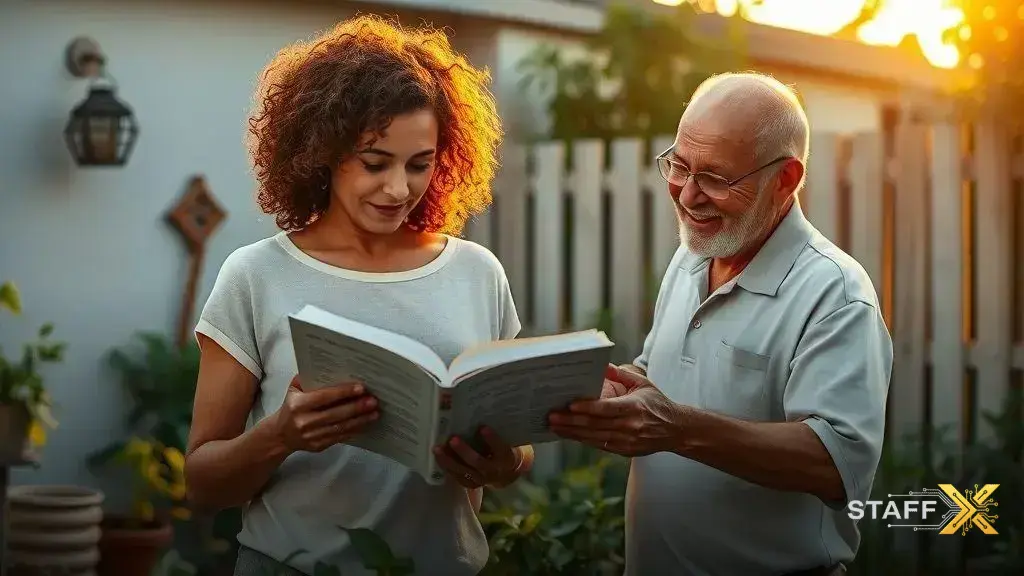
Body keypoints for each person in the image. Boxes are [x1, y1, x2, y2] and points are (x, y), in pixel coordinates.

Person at [184, 15, 533, 576]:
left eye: (420, 164)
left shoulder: (476, 272)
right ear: (323, 151)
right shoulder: (256, 274)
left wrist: (503, 463)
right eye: (375, 163)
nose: (399, 190)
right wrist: (280, 434)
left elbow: (516, 453)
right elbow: (202, 484)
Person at [549, 72, 893, 576]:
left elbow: (835, 463)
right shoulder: (696, 253)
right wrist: (616, 389)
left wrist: (676, 429)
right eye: (679, 166)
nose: (688, 195)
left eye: (715, 178)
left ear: (786, 179)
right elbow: (666, 376)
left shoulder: (834, 293)